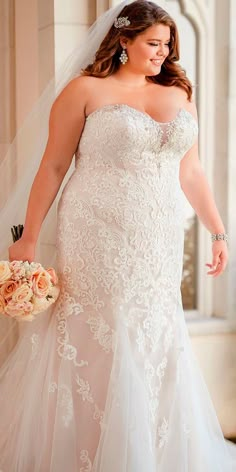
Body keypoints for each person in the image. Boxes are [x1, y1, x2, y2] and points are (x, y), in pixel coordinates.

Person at [0, 1, 233, 471]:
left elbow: (191, 171)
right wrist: (29, 238)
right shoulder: (85, 90)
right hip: (96, 233)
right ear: (123, 41)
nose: (163, 53)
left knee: (156, 330)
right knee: (101, 333)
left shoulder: (179, 93)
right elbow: (53, 165)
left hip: (157, 238)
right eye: (153, 43)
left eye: (168, 45)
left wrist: (218, 231)